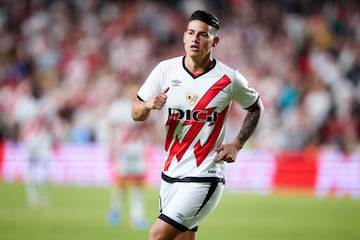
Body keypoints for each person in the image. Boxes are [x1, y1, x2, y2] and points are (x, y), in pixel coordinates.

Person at [131, 10, 264, 240]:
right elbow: (136, 112)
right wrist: (148, 106)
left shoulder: (229, 79)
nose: (194, 39)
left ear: (215, 41)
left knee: (157, 236)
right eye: (191, 33)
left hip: (205, 175)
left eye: (202, 35)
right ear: (183, 36)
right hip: (170, 175)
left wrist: (237, 144)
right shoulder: (165, 70)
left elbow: (255, 107)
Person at [107, 83, 149, 229]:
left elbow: (148, 128)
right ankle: (115, 211)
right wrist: (111, 146)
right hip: (123, 150)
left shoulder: (144, 105)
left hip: (137, 151)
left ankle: (137, 217)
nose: (133, 91)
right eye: (131, 88)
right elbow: (111, 126)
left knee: (138, 184)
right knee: (120, 183)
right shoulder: (119, 106)